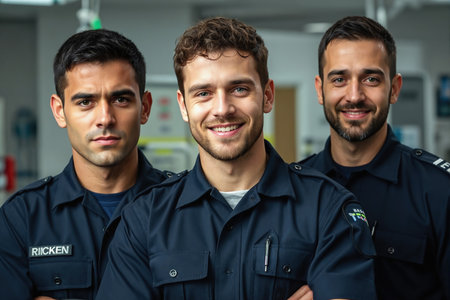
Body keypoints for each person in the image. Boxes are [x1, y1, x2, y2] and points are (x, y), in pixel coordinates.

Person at [96, 17, 377, 300]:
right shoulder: (144, 219)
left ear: (267, 96)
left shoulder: (328, 209)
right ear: (183, 106)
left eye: (239, 89)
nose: (222, 109)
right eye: (204, 93)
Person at [0, 29, 170, 300]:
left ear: (145, 107)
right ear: (60, 111)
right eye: (85, 102)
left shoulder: (185, 209)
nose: (105, 118)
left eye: (121, 99)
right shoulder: (20, 219)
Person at [300, 16, 450, 299]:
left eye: (371, 79)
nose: (354, 95)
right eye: (339, 79)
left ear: (394, 88)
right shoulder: (293, 189)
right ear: (320, 89)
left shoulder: (440, 191)